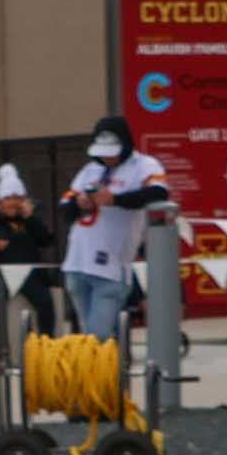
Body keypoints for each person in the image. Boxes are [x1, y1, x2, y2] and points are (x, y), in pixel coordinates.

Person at [61, 114, 170, 343]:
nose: (107, 159)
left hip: (110, 266)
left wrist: (115, 200)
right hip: (77, 262)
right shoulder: (89, 170)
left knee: (98, 336)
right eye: (102, 153)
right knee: (85, 337)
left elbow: (159, 193)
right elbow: (64, 206)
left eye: (112, 153)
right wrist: (79, 203)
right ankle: (98, 375)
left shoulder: (144, 165)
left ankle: (109, 375)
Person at [0, 164, 57, 338]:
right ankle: (1, 349)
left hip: (29, 274)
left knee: (45, 303)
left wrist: (30, 219)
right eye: (9, 198)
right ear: (0, 201)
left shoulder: (29, 220)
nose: (13, 203)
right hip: (1, 274)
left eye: (17, 198)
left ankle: (46, 344)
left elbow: (45, 240)